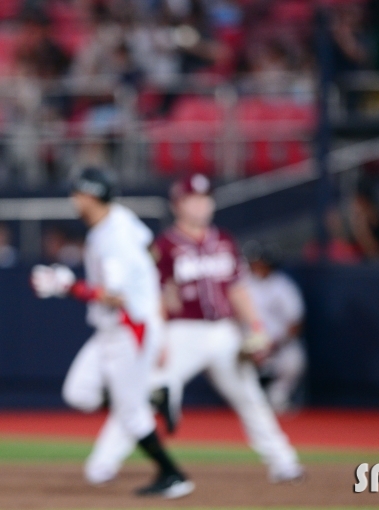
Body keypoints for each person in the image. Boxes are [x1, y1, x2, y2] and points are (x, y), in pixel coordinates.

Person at [30, 168, 193, 499]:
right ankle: (151, 396)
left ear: (91, 195)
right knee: (80, 393)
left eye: (78, 193)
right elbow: (150, 251)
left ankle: (172, 474)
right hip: (114, 326)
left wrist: (68, 286)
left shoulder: (111, 237)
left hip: (128, 327)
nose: (74, 199)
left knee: (130, 411)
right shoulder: (119, 218)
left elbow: (115, 294)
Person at [150, 173, 304, 483]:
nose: (202, 204)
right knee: (148, 389)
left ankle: (283, 462)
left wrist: (255, 327)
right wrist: (158, 336)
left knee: (250, 396)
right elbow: (155, 294)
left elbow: (238, 291)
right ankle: (103, 464)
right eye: (193, 198)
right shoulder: (165, 245)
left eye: (206, 198)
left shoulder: (223, 240)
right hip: (182, 331)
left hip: (223, 331)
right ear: (178, 204)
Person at [243, 241, 306, 414]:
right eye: (254, 261)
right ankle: (248, 400)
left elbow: (296, 322)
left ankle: (278, 395)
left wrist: (275, 344)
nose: (256, 264)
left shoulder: (283, 286)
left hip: (277, 343)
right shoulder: (243, 283)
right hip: (249, 341)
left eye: (260, 261)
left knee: (294, 359)